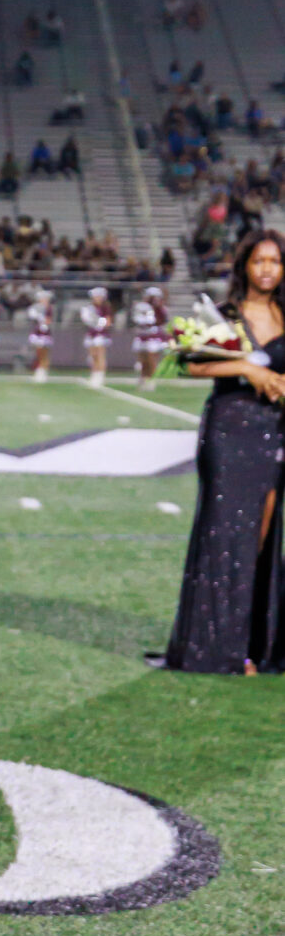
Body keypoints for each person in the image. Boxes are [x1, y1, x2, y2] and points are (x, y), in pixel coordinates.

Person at [165, 232, 285, 675]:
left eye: (275, 261)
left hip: (275, 432)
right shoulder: (227, 315)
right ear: (245, 267)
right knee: (226, 535)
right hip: (230, 430)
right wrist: (244, 368)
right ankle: (219, 648)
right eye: (259, 261)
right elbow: (191, 363)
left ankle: (253, 642)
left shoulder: (284, 313)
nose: (267, 269)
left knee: (261, 537)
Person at [131, 283, 170, 382]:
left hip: (154, 335)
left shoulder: (160, 308)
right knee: (143, 360)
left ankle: (151, 380)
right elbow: (136, 319)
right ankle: (144, 378)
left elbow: (163, 320)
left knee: (151, 359)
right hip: (143, 334)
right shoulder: (142, 306)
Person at [80, 284, 113, 386]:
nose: (97, 298)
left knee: (100, 354)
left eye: (99, 296)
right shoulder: (89, 308)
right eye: (95, 296)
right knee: (93, 355)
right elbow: (86, 320)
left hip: (101, 333)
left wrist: (98, 321)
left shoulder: (106, 307)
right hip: (91, 333)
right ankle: (94, 373)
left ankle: (101, 375)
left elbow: (108, 322)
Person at [25, 286, 55, 381]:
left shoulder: (49, 308)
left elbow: (48, 321)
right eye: (42, 299)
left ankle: (43, 371)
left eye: (45, 299)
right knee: (38, 352)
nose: (43, 300)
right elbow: (32, 316)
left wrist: (41, 317)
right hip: (37, 332)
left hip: (45, 333)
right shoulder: (36, 308)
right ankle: (39, 369)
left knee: (44, 353)